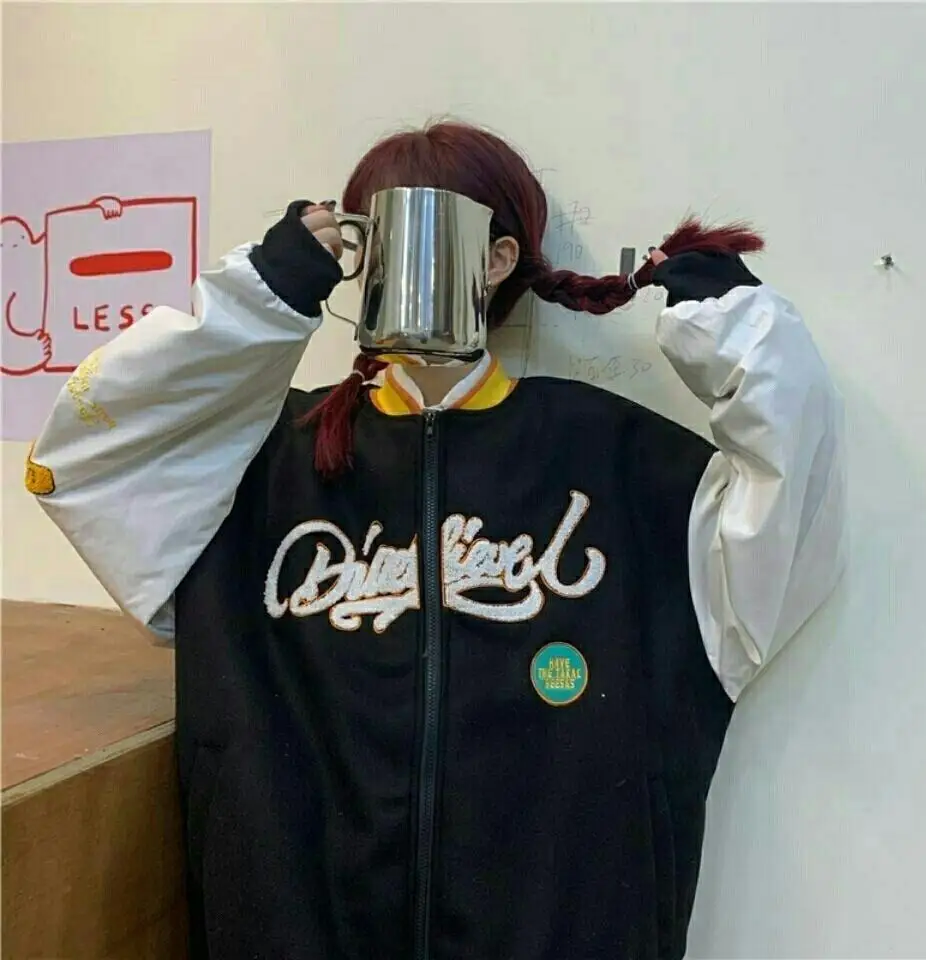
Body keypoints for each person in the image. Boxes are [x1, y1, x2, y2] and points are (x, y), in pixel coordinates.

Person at [26, 121, 846, 960]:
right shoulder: (253, 468)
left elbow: (793, 514)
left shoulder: (623, 465)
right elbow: (80, 466)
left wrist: (735, 326)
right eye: (374, 233)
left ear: (498, 259)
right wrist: (262, 298)